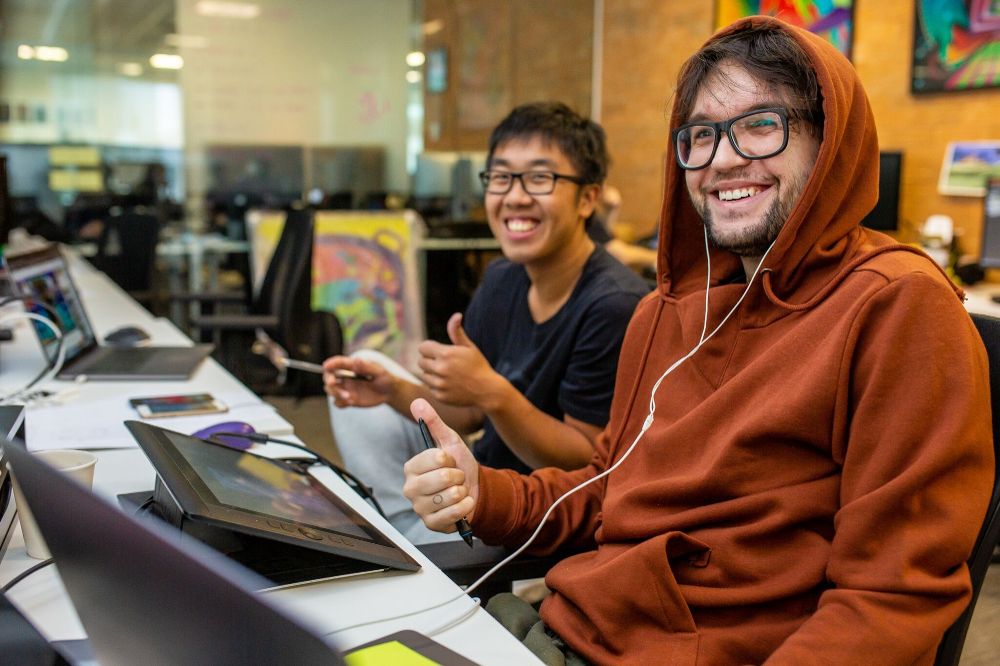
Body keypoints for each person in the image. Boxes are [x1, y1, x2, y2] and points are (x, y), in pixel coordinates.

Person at [402, 17, 994, 664]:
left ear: (829, 143)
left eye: (762, 125)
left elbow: (889, 599)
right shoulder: (664, 314)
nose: (725, 158)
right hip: (555, 627)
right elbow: (603, 489)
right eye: (702, 135)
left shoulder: (895, 305)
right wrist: (483, 492)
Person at [323, 102, 650, 544]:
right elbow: (470, 412)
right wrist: (391, 391)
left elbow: (589, 463)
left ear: (588, 198)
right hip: (479, 476)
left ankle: (422, 543)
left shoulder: (614, 305)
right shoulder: (502, 278)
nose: (514, 196)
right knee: (363, 362)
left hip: (527, 514)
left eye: (539, 178)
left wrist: (494, 393)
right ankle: (406, 530)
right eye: (501, 177)